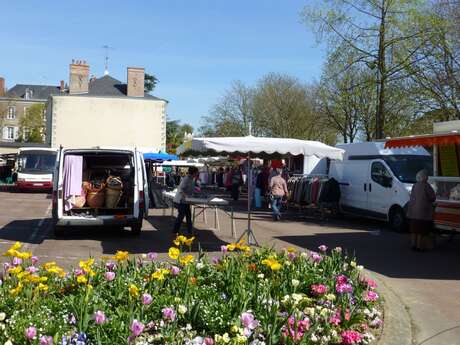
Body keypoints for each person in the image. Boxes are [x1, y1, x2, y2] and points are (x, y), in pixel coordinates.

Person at [407, 169, 436, 251]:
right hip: (423, 213)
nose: (427, 178)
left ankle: (413, 244)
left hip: (413, 212)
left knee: (414, 230)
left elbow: (412, 197)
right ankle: (419, 246)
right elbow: (433, 197)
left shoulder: (415, 185)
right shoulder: (426, 186)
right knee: (421, 231)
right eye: (427, 176)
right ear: (425, 177)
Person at [173, 166, 199, 235]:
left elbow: (191, 189)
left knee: (188, 216)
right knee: (181, 216)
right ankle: (175, 231)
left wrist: (195, 192)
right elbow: (181, 189)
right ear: (193, 173)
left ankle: (190, 231)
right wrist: (186, 196)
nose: (197, 174)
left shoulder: (192, 179)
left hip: (186, 201)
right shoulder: (186, 179)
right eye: (196, 172)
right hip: (182, 201)